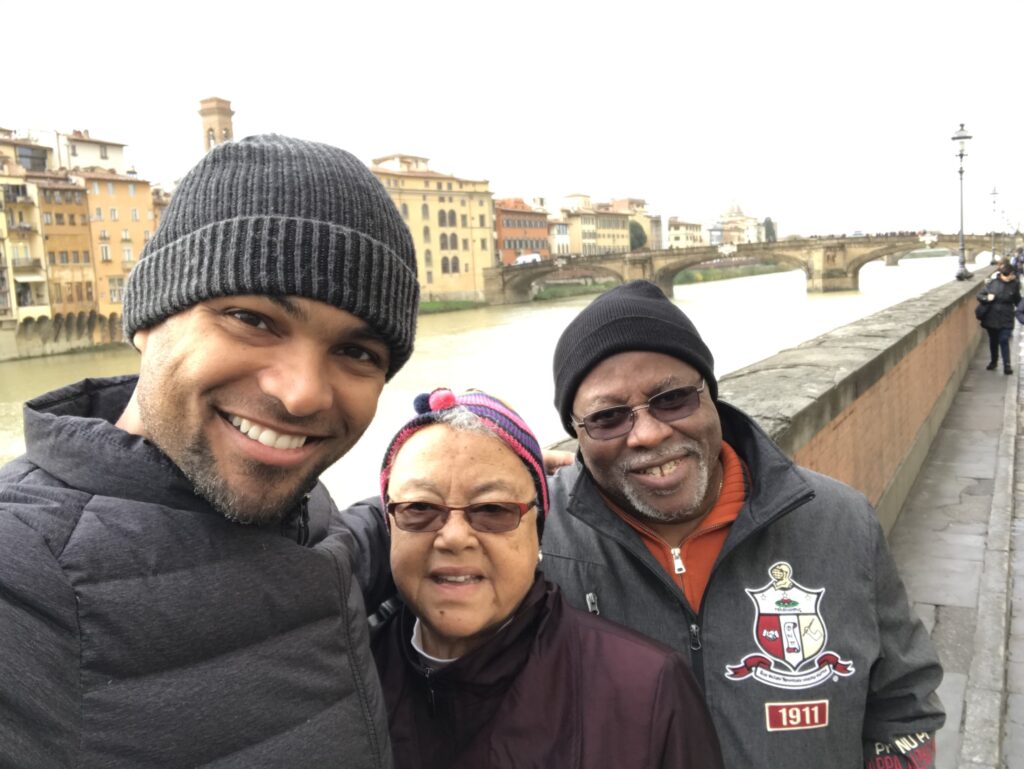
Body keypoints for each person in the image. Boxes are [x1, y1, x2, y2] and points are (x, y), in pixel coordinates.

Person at [0, 135, 420, 768]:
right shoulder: (23, 579)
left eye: (357, 353)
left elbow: (364, 535)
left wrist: (500, 477)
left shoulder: (305, 516)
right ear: (147, 319)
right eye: (252, 319)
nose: (303, 395)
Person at [539, 280, 945, 769]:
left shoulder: (840, 522)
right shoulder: (532, 539)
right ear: (575, 437)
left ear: (711, 397)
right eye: (608, 417)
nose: (647, 433)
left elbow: (903, 703)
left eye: (672, 399)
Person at [371, 388, 724, 769]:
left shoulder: (647, 691)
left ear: (538, 529)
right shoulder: (344, 674)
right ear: (389, 526)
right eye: (419, 508)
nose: (455, 537)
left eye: (493, 509)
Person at [977, 258, 1021, 373]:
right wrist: (987, 298)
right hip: (992, 316)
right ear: (1005, 274)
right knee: (993, 341)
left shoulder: (1014, 285)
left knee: (1004, 339)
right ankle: (994, 361)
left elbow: (1018, 300)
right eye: (1010, 275)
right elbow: (980, 295)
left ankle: (1007, 365)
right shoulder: (992, 284)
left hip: (1007, 316)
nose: (1011, 277)